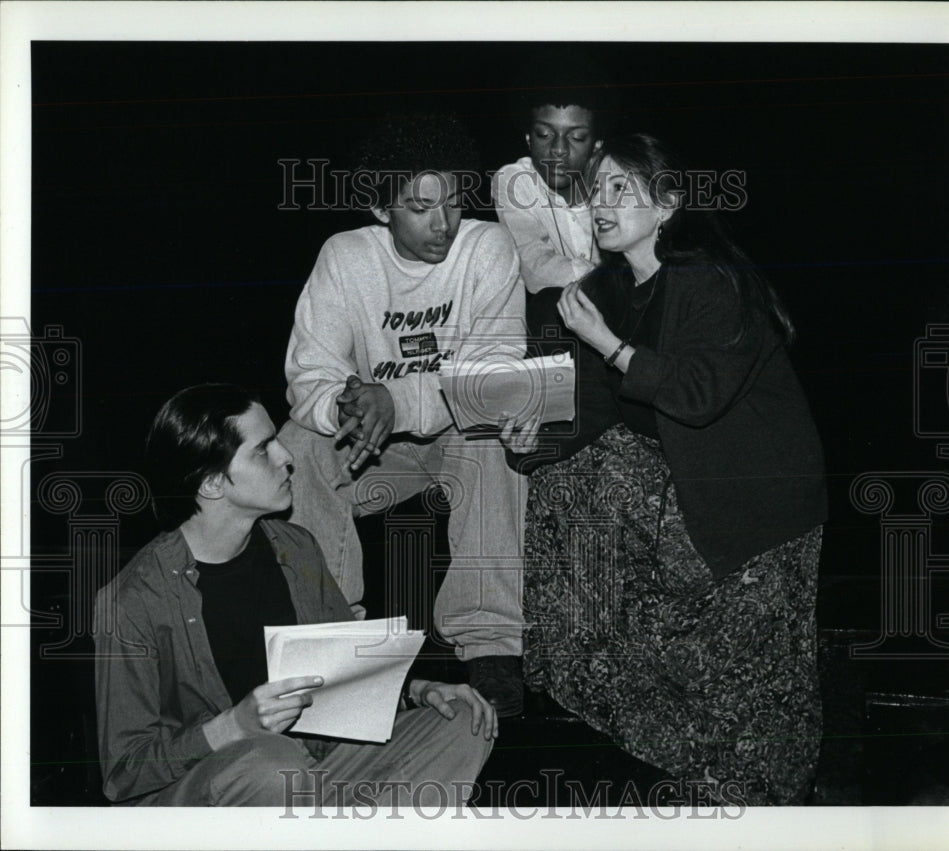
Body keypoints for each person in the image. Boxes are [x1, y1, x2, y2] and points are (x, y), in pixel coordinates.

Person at [501, 134, 828, 805]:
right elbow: (588, 410)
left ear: (669, 203)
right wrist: (529, 437)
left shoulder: (708, 278)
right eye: (597, 189)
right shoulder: (600, 290)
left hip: (755, 504)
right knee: (563, 475)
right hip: (679, 491)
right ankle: (588, 683)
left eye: (623, 186)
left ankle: (768, 793)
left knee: (755, 698)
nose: (601, 201)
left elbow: (697, 395)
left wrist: (608, 343)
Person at [92, 384, 496, 806]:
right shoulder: (132, 602)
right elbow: (123, 773)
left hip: (312, 771)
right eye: (263, 449)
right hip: (216, 790)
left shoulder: (296, 547)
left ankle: (335, 830)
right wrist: (233, 726)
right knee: (272, 762)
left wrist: (419, 691)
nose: (287, 457)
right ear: (212, 483)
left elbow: (344, 684)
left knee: (465, 717)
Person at [277, 113, 528, 717]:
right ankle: (334, 643)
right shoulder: (344, 257)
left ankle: (490, 645)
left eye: (451, 203)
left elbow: (494, 376)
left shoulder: (487, 249)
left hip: (454, 440)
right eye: (419, 207)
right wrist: (344, 404)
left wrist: (399, 400)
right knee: (301, 446)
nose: (442, 223)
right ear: (383, 209)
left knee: (491, 435)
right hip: (381, 449)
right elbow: (309, 371)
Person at [491, 72, 613, 293]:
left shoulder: (615, 181)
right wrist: (608, 281)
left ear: (596, 145)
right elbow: (536, 269)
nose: (559, 149)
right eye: (544, 134)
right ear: (528, 139)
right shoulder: (515, 181)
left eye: (576, 137)